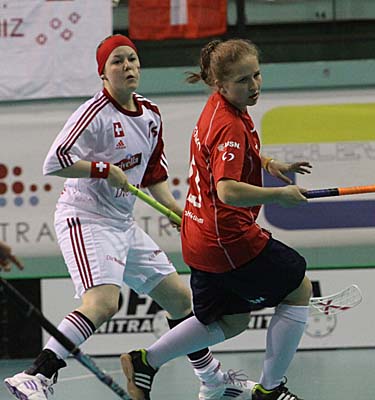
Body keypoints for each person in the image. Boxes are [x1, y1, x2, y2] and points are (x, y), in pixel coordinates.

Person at [3, 34, 253, 400]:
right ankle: (35, 375)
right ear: (103, 73)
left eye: (132, 59)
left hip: (122, 223)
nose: (127, 66)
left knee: (179, 300)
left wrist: (175, 212)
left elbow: (153, 175)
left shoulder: (150, 114)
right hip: (85, 218)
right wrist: (103, 170)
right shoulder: (93, 113)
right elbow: (55, 162)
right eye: (117, 61)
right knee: (103, 303)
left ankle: (212, 378)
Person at [120, 38, 313, 400]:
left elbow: (226, 158)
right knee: (298, 287)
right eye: (243, 80)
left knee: (231, 320)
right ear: (220, 84)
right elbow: (227, 191)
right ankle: (270, 390)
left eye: (256, 75)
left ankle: (145, 362)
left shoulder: (220, 108)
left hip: (200, 238)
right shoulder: (230, 124)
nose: (254, 85)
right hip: (227, 240)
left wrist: (268, 164)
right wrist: (280, 195)